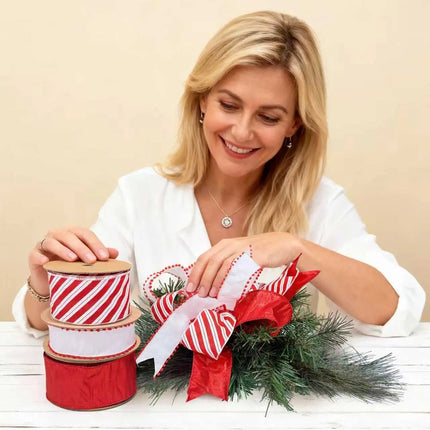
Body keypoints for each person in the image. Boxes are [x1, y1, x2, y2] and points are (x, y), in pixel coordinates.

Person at [13, 10, 425, 338]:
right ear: (202, 101)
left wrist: (296, 248)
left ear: (294, 126)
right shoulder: (139, 195)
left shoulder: (319, 203)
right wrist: (46, 286)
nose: (242, 132)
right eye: (229, 105)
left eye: (268, 116)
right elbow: (49, 322)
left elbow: (397, 307)